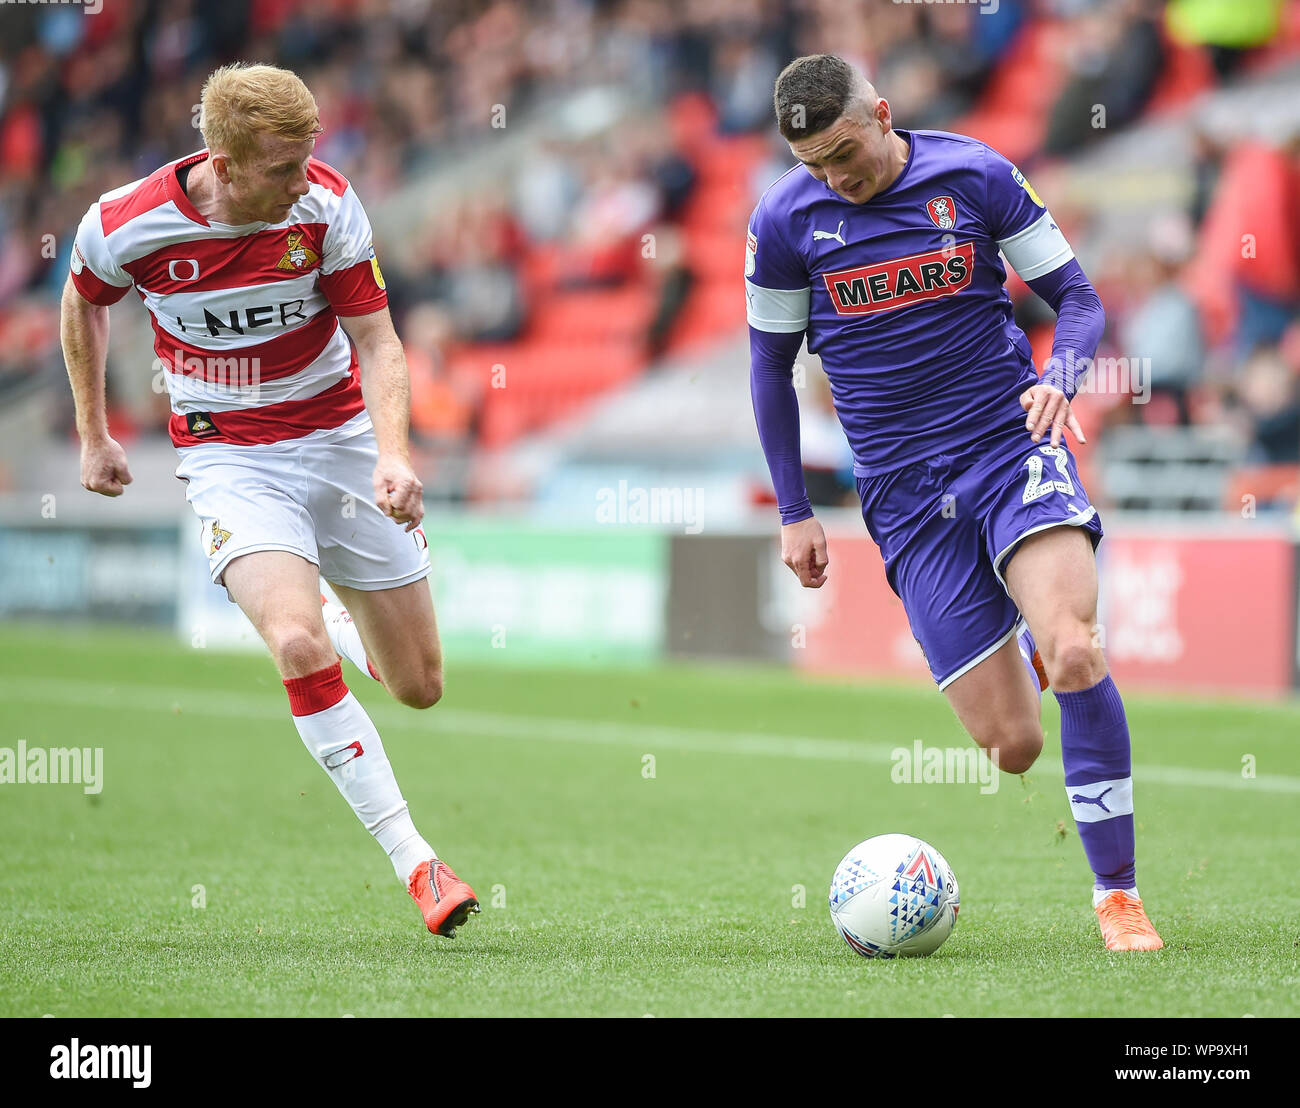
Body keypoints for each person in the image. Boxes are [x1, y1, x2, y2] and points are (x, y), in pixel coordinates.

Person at [746, 55, 1162, 951]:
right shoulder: (784, 220)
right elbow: (770, 370)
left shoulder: (973, 175)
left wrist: (1061, 377)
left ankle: (1117, 896)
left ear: (883, 115)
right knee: (1012, 746)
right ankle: (1030, 636)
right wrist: (793, 507)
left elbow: (1078, 301)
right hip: (902, 497)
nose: (835, 176)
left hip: (1010, 449)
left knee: (1078, 649)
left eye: (846, 152)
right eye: (816, 163)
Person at [60, 63, 478, 938]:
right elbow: (83, 301)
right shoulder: (125, 224)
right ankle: (417, 862)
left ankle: (330, 592)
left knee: (420, 686)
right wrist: (93, 431)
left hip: (337, 443)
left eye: (308, 159)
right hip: (228, 454)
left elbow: (377, 338)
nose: (302, 180)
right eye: (283, 168)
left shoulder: (326, 206)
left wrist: (395, 456)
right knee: (294, 640)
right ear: (223, 159)